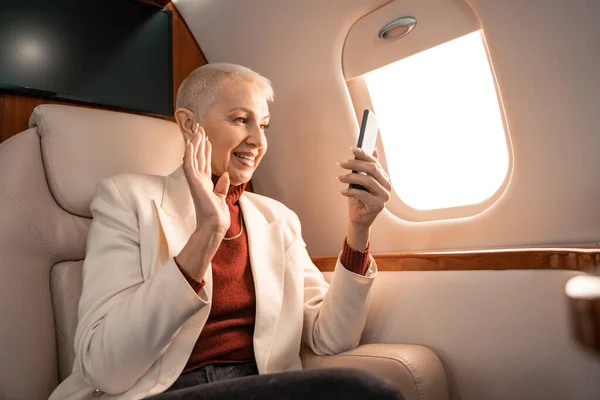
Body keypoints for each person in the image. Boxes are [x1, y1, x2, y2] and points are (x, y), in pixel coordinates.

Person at [49, 63, 400, 400]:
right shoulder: (128, 199)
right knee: (363, 391)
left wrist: (359, 229)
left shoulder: (277, 219)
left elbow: (331, 338)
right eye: (241, 120)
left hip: (256, 386)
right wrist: (207, 234)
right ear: (190, 124)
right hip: (161, 391)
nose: (258, 141)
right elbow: (105, 366)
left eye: (264, 125)